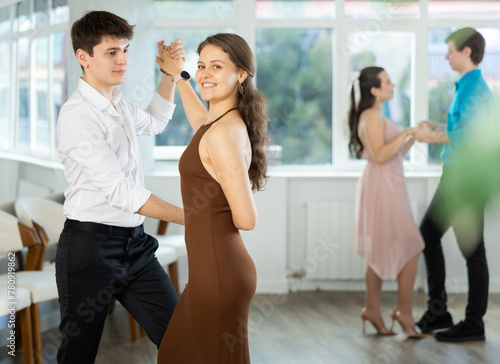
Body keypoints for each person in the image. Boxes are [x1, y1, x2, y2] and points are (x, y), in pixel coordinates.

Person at [56, 11, 186, 363]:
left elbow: (157, 120)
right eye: (112, 51)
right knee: (77, 355)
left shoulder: (120, 105)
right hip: (89, 250)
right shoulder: (78, 116)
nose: (123, 59)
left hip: (135, 247)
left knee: (182, 339)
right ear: (83, 57)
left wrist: (169, 75)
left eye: (125, 50)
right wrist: (192, 217)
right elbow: (121, 192)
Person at [155, 33, 269, 363]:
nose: (205, 73)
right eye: (201, 65)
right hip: (213, 272)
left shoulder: (222, 133)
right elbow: (198, 121)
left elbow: (247, 219)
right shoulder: (218, 123)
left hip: (218, 276)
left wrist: (208, 215)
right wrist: (178, 75)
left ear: (241, 74)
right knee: (176, 355)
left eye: (217, 66)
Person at [413, 27, 495, 342]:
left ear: (467, 52)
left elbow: (469, 136)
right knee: (428, 234)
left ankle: (474, 322)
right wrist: (436, 127)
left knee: (472, 251)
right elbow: (461, 127)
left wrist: (430, 137)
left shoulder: (474, 89)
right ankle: (439, 311)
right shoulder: (466, 87)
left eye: (450, 50)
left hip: (466, 180)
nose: (446, 56)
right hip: (454, 176)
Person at [349, 66, 424, 338]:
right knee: (412, 243)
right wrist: (405, 133)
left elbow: (395, 153)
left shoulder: (377, 115)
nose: (393, 86)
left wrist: (411, 137)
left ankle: (373, 309)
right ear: (375, 91)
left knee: (380, 246)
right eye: (388, 82)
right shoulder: (370, 116)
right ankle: (402, 311)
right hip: (382, 185)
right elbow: (380, 155)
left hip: (388, 183)